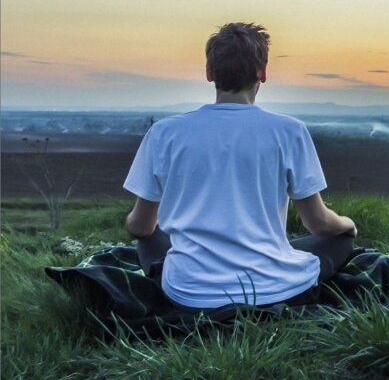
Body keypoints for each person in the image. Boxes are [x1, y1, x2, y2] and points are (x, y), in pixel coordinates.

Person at [123, 22, 356, 309]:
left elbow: (140, 227)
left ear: (209, 72)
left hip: (189, 293)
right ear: (262, 72)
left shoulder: (164, 133)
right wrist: (348, 224)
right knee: (340, 240)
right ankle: (272, 263)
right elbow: (318, 223)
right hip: (274, 289)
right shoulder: (290, 131)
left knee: (149, 238)